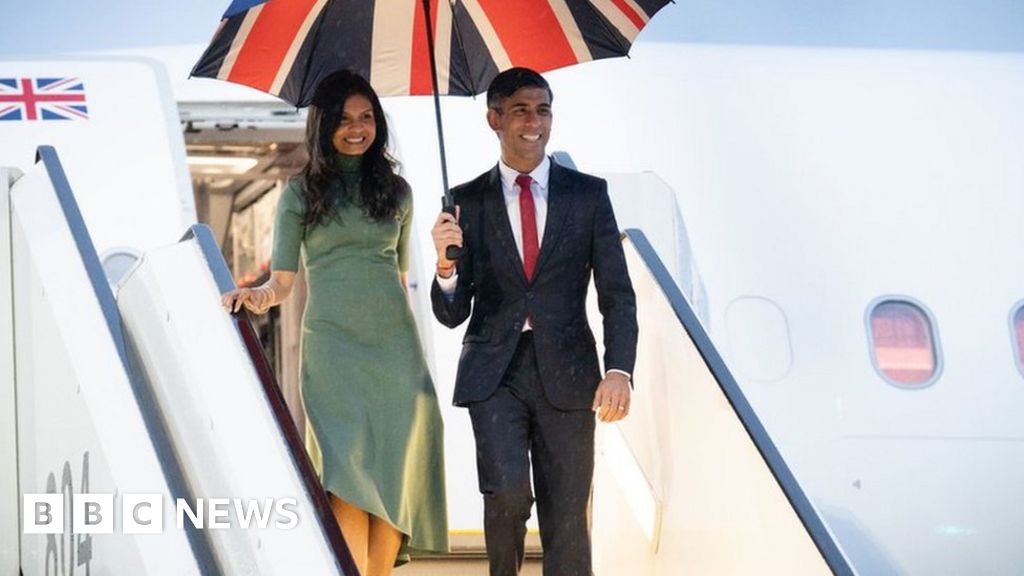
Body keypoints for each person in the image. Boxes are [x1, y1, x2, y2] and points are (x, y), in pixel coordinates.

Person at [221, 70, 448, 576]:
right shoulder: (301, 194)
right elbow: (281, 283)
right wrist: (256, 295)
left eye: (366, 117)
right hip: (332, 353)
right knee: (346, 477)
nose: (357, 128)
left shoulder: (400, 192)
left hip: (395, 353)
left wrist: (445, 255)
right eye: (345, 119)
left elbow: (399, 276)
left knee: (391, 477)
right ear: (323, 126)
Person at [430, 67, 638, 576]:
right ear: (494, 119)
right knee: (506, 496)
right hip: (495, 373)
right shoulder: (466, 200)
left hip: (569, 374)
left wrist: (620, 371)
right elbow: (453, 314)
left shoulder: (587, 195)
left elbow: (617, 293)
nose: (534, 121)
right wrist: (445, 266)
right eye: (520, 109)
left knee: (566, 514)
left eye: (542, 109)